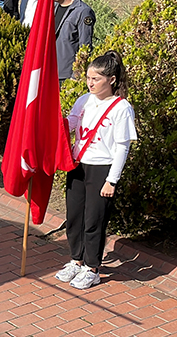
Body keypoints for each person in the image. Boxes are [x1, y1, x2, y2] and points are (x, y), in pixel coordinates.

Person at [55, 51, 136, 290]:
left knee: (94, 220)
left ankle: (92, 268)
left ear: (111, 79)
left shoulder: (121, 108)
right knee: (74, 217)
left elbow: (122, 147)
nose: (90, 83)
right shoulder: (84, 100)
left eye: (96, 79)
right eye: (88, 78)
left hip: (102, 169)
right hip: (78, 165)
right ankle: (76, 260)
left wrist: (112, 180)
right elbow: (71, 124)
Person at [54, 0, 95, 82]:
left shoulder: (83, 12)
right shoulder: (53, 7)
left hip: (66, 75)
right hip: (50, 70)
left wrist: (76, 75)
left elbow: (85, 46)